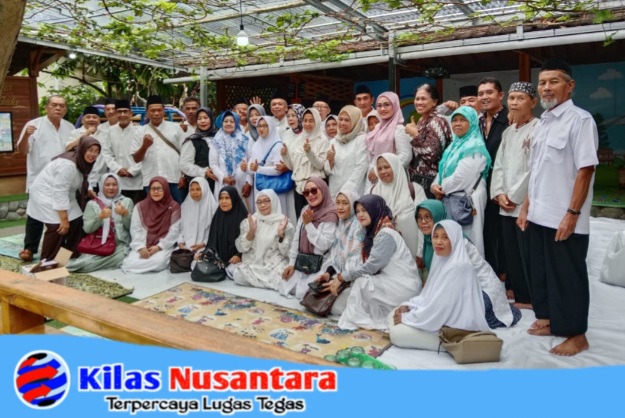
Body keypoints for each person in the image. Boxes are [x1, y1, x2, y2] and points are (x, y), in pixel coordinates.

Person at [517, 58, 598, 356]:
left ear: (570, 85)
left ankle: (577, 334)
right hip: (539, 214)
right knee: (541, 272)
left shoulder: (580, 120)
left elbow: (585, 170)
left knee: (567, 276)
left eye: (554, 81)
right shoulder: (544, 123)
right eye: (542, 83)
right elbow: (537, 171)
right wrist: (526, 207)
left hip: (564, 216)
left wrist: (572, 214)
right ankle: (551, 318)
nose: (547, 87)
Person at [415, 200, 521, 328]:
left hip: (481, 289)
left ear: (438, 216)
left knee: (456, 313)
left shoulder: (458, 241)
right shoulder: (429, 241)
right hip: (457, 289)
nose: (423, 222)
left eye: (428, 217)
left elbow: (458, 281)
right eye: (419, 218)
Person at [388, 220, 490, 351]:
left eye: (445, 237)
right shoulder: (442, 260)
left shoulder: (458, 267)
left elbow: (440, 310)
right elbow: (428, 297)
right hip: (440, 321)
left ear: (455, 239)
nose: (438, 242)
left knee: (397, 333)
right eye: (435, 236)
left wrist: (406, 318)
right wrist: (408, 306)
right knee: (395, 313)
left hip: (455, 331)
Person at [327, 194, 421, 330]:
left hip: (404, 287)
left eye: (364, 210)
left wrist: (341, 277)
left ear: (374, 210)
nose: (360, 215)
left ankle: (357, 320)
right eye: (357, 211)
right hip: (395, 283)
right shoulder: (375, 232)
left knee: (362, 283)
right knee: (360, 287)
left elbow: (370, 267)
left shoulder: (385, 234)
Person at [491, 82, 539, 308]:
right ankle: (519, 293)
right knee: (511, 250)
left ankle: (530, 296)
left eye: (521, 98)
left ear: (533, 102)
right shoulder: (508, 132)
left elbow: (535, 169)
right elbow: (499, 164)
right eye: (512, 98)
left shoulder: (538, 129)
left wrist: (515, 196)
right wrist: (499, 193)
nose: (515, 103)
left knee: (527, 251)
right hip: (505, 203)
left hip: (525, 203)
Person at [17, 95, 74, 261]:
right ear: (46, 107)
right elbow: (22, 150)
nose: (58, 108)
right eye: (54, 105)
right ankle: (30, 248)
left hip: (63, 179)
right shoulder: (34, 125)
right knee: (35, 215)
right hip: (39, 179)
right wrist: (26, 136)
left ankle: (62, 250)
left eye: (62, 106)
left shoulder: (69, 127)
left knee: (62, 216)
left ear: (65, 109)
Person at [26, 137, 101, 261]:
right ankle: (48, 262)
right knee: (58, 227)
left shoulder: (82, 160)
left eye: (96, 151)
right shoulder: (68, 165)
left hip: (65, 194)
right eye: (90, 150)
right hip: (45, 194)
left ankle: (65, 258)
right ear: (82, 149)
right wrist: (64, 220)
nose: (93, 154)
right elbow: (59, 192)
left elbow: (80, 178)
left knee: (77, 222)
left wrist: (88, 190)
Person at [432, 106, 491, 256]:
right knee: (453, 242)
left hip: (468, 200)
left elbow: (461, 178)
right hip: (452, 198)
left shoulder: (475, 147)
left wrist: (441, 188)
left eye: (463, 120)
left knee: (470, 244)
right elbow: (442, 171)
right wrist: (435, 186)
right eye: (455, 120)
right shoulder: (453, 146)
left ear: (472, 123)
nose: (457, 123)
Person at [280, 178, 338, 299]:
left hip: (321, 264)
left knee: (304, 293)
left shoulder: (331, 214)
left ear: (323, 190)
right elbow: (296, 239)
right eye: (306, 192)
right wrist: (291, 264)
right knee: (284, 284)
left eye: (314, 190)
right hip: (303, 262)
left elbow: (324, 245)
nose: (310, 195)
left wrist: (308, 225)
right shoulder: (306, 210)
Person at [66, 173, 134, 272]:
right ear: (101, 186)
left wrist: (125, 214)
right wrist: (100, 216)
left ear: (119, 185)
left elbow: (132, 228)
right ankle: (69, 266)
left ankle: (80, 266)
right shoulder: (92, 204)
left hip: (120, 245)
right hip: (98, 244)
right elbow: (87, 229)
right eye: (107, 185)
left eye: (114, 184)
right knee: (86, 262)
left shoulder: (127, 202)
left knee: (123, 258)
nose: (111, 188)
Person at [478, 77, 510, 278]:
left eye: (489, 92)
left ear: (500, 95)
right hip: (482, 187)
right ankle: (492, 274)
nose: (484, 97)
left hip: (504, 187)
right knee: (487, 232)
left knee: (505, 235)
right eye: (481, 93)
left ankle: (507, 276)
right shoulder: (478, 121)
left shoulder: (510, 119)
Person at [314, 190, 363, 315]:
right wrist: (328, 273)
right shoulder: (341, 224)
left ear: (353, 206)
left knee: (337, 306)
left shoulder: (359, 227)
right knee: (315, 292)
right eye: (338, 203)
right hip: (340, 275)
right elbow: (335, 255)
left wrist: (340, 280)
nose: (340, 207)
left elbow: (356, 261)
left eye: (345, 203)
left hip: (353, 278)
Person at [233, 189, 293, 290]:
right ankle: (267, 283)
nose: (262, 205)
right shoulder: (250, 221)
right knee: (237, 274)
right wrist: (251, 233)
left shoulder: (285, 224)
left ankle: (259, 282)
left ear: (274, 201)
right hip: (253, 265)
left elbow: (286, 252)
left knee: (285, 278)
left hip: (274, 265)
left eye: (266, 201)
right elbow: (241, 248)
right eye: (259, 202)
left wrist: (281, 235)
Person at [132, 95, 187, 204]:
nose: (156, 113)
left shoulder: (176, 128)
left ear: (164, 111)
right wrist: (145, 146)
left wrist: (183, 176)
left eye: (159, 110)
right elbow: (136, 159)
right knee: (155, 211)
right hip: (151, 180)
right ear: (147, 112)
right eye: (153, 111)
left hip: (174, 179)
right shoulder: (140, 131)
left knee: (177, 209)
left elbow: (185, 153)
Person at [121, 176, 181, 273]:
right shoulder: (140, 206)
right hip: (143, 244)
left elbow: (174, 232)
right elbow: (135, 229)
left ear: (165, 190)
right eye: (153, 189)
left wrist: (159, 247)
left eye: (159, 189)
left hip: (163, 246)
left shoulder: (174, 207)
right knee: (128, 263)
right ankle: (144, 265)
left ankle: (141, 267)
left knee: (160, 262)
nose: (156, 192)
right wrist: (140, 247)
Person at [371, 153, 425, 257]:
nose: (383, 171)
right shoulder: (373, 193)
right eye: (379, 169)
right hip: (385, 254)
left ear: (396, 166)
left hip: (413, 251)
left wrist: (420, 252)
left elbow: (423, 222)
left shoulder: (414, 190)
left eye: (387, 167)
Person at [281, 108, 331, 218]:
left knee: (317, 218)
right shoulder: (298, 140)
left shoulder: (322, 140)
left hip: (315, 187)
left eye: (311, 121)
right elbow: (293, 167)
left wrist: (309, 153)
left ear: (317, 121)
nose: (307, 124)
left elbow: (321, 166)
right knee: (301, 219)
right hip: (299, 187)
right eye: (305, 120)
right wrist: (285, 155)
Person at [405, 84, 452, 198]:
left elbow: (431, 154)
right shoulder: (422, 121)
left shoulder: (438, 121)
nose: (419, 102)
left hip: (432, 182)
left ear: (434, 102)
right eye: (417, 99)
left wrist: (415, 134)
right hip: (419, 179)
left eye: (423, 99)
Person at [247, 116, 295, 222]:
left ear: (271, 127)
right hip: (260, 187)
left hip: (276, 188)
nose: (261, 129)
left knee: (277, 216)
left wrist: (259, 169)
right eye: (259, 126)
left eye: (265, 126)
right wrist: (247, 168)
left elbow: (278, 170)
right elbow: (251, 168)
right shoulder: (256, 145)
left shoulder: (277, 145)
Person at [102, 99, 144, 204]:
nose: (122, 115)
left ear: (131, 113)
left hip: (137, 182)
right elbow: (106, 153)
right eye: (119, 112)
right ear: (116, 113)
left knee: (135, 210)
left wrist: (133, 171)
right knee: (117, 210)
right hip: (116, 180)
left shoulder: (140, 131)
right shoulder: (110, 131)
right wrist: (117, 169)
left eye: (125, 111)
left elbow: (145, 154)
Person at [365, 92, 412, 187]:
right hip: (375, 179)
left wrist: (381, 169)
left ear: (395, 106)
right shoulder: (378, 129)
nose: (382, 109)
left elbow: (405, 157)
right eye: (379, 106)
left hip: (393, 179)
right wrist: (373, 169)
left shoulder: (399, 129)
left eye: (387, 105)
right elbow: (374, 155)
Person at [324, 105, 368, 197]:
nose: (342, 123)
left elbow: (361, 167)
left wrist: (347, 190)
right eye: (340, 119)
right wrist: (330, 161)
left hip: (354, 191)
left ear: (356, 122)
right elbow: (327, 171)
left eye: (347, 120)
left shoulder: (361, 139)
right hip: (335, 191)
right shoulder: (334, 141)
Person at [205, 186, 249, 278]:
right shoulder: (218, 216)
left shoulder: (243, 217)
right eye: (221, 198)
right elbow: (212, 241)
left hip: (236, 260)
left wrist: (239, 255)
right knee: (194, 264)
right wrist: (207, 254)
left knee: (234, 271)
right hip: (218, 259)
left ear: (234, 199)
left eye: (227, 198)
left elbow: (248, 242)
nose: (223, 201)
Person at [209, 110, 251, 202]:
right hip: (223, 184)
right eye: (226, 121)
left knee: (241, 207)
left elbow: (250, 160)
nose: (228, 123)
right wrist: (223, 178)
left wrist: (248, 181)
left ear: (236, 124)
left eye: (232, 121)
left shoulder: (244, 140)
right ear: (222, 123)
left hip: (242, 183)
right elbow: (213, 164)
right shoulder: (216, 142)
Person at [66, 106, 108, 193]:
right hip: (81, 178)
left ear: (99, 120)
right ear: (82, 120)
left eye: (94, 117)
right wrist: (86, 133)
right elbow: (68, 148)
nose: (91, 119)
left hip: (101, 179)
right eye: (88, 117)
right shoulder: (74, 133)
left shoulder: (106, 134)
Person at [180, 107, 218, 194]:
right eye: (199, 118)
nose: (202, 121)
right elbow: (184, 164)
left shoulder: (219, 138)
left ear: (211, 119)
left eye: (206, 118)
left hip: (219, 183)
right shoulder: (191, 141)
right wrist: (204, 172)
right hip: (199, 186)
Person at [178, 177, 217, 254]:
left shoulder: (213, 207)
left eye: (198, 189)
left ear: (204, 189)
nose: (195, 192)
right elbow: (180, 228)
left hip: (206, 246)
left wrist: (204, 243)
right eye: (192, 190)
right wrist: (180, 242)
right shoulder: (185, 206)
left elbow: (215, 231)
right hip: (185, 246)